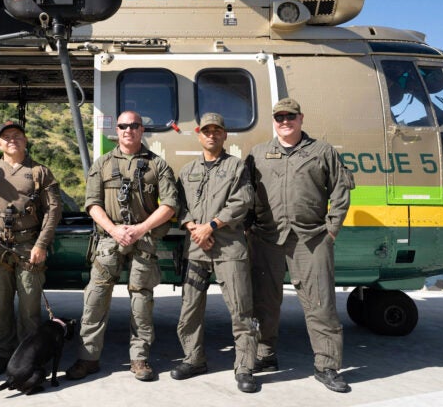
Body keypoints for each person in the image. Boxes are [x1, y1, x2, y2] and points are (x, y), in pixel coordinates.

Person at [246, 97, 354, 393]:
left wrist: (331, 229)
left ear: (301, 118)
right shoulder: (258, 153)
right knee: (264, 302)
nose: (285, 121)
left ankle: (327, 365)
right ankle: (265, 356)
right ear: (274, 120)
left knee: (320, 304)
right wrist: (249, 228)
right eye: (280, 117)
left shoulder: (322, 152)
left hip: (311, 238)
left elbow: (341, 190)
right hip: (268, 238)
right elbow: (245, 194)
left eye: (290, 116)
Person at [66, 111, 179, 382]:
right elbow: (92, 204)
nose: (128, 130)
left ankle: (139, 359)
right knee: (95, 299)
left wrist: (140, 229)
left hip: (144, 239)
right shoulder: (102, 164)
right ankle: (88, 358)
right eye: (123, 126)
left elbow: (170, 205)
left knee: (141, 300)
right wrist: (114, 230)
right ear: (116, 130)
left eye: (134, 125)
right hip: (109, 238)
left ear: (142, 130)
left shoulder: (158, 165)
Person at [170, 112, 258, 393]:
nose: (211, 135)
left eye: (217, 130)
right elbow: (178, 204)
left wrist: (211, 226)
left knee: (241, 310)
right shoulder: (187, 170)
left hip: (229, 249)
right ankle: (194, 359)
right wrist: (194, 227)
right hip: (196, 249)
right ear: (199, 134)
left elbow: (242, 202)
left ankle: (244, 368)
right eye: (206, 131)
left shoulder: (236, 167)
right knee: (190, 310)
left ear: (224, 135)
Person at [0, 120, 62, 376]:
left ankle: (28, 356)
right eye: (6, 137)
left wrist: (41, 244)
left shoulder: (41, 172)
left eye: (17, 136)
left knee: (30, 308)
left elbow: (54, 211)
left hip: (29, 247)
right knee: (0, 308)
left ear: (25, 141)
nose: (12, 140)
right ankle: (2, 354)